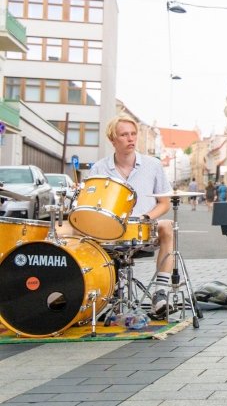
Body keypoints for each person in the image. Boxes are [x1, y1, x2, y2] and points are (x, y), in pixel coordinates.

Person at [89, 114, 176, 318]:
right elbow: (91, 204)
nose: (130, 138)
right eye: (124, 135)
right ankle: (100, 292)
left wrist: (146, 217)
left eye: (133, 134)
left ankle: (160, 294)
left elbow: (165, 202)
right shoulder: (99, 169)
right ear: (113, 140)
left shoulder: (152, 165)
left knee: (168, 226)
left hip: (145, 230)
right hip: (110, 232)